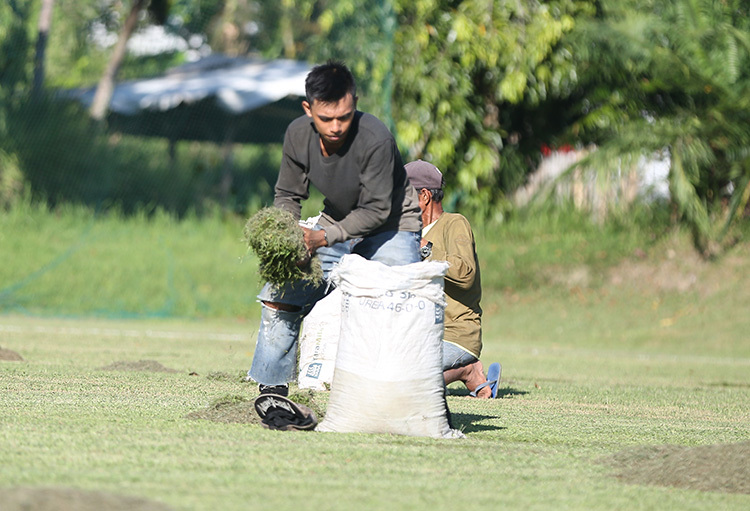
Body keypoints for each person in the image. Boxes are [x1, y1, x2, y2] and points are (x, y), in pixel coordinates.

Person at [247, 60, 423, 398]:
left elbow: (377, 210)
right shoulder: (298, 135)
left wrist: (320, 238)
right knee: (280, 292)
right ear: (308, 109)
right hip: (337, 217)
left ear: (354, 103)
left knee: (394, 306)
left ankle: (393, 396)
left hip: (393, 226)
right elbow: (288, 195)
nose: (336, 126)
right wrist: (291, 240)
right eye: (326, 118)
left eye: (343, 116)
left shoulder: (376, 139)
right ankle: (272, 392)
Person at [404, 160, 501, 399]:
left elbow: (466, 274)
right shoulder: (406, 231)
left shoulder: (454, 224)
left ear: (424, 196)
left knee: (409, 381)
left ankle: (467, 370)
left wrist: (426, 250)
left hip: (456, 335)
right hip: (418, 334)